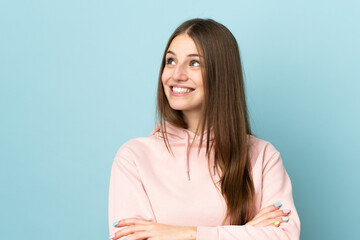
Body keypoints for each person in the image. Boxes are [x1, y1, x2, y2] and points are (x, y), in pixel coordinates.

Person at [108, 18, 301, 240]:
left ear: (223, 74)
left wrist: (185, 234)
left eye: (194, 63)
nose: (176, 74)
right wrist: (247, 231)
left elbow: (283, 236)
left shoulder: (263, 157)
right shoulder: (134, 158)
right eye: (170, 61)